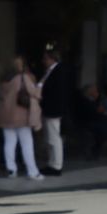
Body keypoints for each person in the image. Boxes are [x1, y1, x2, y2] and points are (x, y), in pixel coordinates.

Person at [0, 54, 43, 180]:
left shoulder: (4, 79)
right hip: (21, 114)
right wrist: (39, 85)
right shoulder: (23, 78)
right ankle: (33, 172)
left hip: (6, 114)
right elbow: (35, 93)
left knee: (9, 143)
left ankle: (11, 170)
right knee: (27, 143)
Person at [37, 46, 73, 176]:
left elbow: (56, 91)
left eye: (45, 58)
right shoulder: (52, 71)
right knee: (50, 137)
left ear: (52, 59)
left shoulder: (58, 71)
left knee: (54, 138)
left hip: (53, 108)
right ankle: (52, 163)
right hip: (50, 107)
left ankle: (56, 165)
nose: (43, 61)